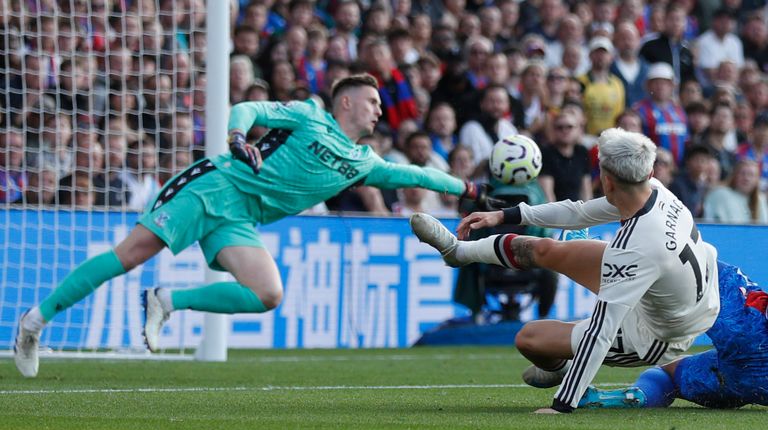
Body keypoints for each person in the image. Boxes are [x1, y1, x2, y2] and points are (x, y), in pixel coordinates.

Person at [13, 74, 500, 378]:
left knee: (268, 293)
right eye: (372, 100)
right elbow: (251, 109)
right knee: (133, 253)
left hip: (241, 218)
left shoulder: (363, 162)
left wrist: (469, 191)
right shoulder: (309, 115)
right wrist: (235, 134)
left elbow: (418, 174)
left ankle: (166, 301)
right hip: (215, 187)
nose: (379, 108)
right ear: (346, 103)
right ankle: (35, 322)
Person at [409, 127, 720, 413]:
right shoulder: (651, 189)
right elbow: (580, 212)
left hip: (658, 333)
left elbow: (601, 330)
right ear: (649, 171)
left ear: (607, 180)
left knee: (529, 338)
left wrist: (563, 404)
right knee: (547, 250)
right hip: (677, 294)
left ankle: (566, 373)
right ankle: (458, 252)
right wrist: (504, 215)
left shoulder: (636, 246)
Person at [578, 261, 768, 410]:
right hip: (757, 384)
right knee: (670, 376)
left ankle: (580, 254)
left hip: (751, 332)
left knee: (687, 262)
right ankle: (631, 396)